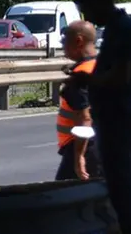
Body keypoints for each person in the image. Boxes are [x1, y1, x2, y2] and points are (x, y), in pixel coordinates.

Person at [72, 0, 131, 234]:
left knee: (122, 188)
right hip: (116, 116)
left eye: (87, 10)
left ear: (99, 2)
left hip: (118, 117)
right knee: (124, 186)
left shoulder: (122, 32)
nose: (88, 17)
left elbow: (121, 76)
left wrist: (87, 79)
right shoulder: (119, 29)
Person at [55, 21, 102, 181]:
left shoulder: (81, 76)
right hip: (108, 144)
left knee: (61, 198)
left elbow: (85, 118)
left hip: (87, 147)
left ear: (78, 41)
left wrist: (79, 157)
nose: (63, 45)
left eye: (65, 40)